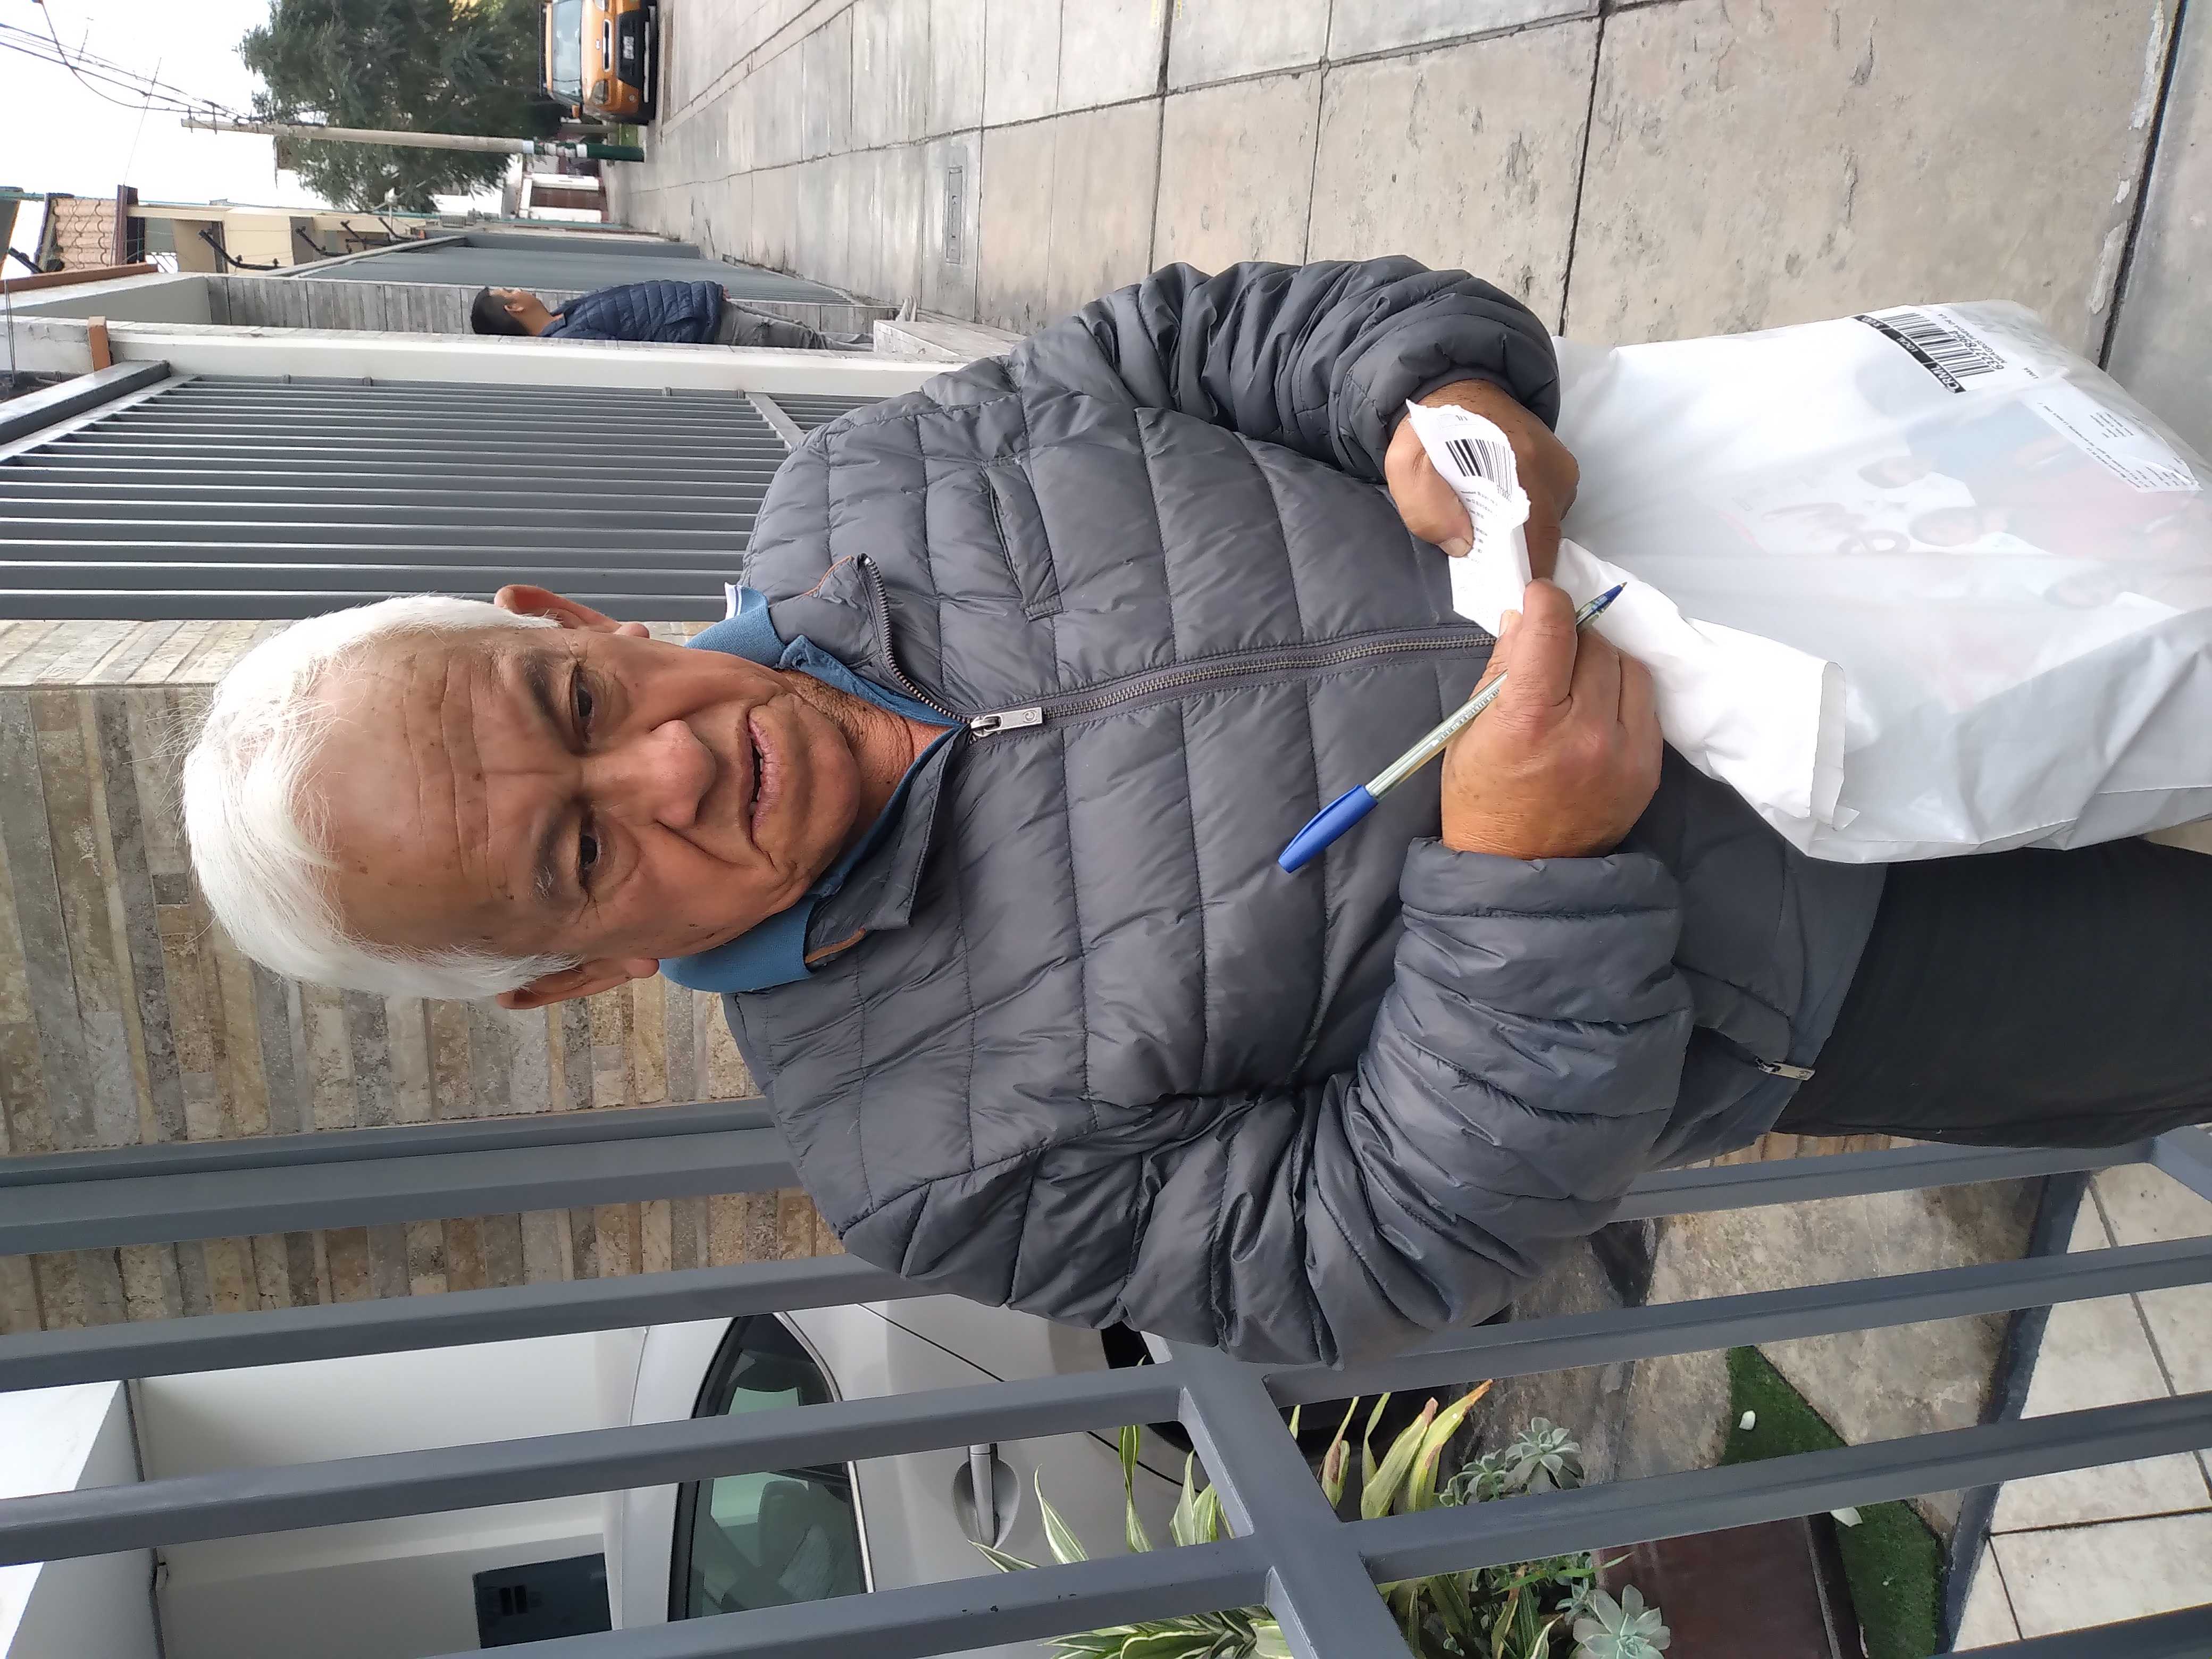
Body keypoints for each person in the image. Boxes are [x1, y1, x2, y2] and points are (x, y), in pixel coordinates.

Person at [185, 258, 2211, 1365]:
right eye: (581, 853)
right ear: (572, 977)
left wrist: (1427, 396)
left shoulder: (865, 483)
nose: (670, 766)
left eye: (576, 706)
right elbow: (1381, 1245)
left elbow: (1204, 340)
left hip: (1829, 562)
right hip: (1830, 960)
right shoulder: (921, 1158)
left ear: (566, 620)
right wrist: (1525, 874)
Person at [469, 281, 832, 349]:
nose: (518, 290)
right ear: (513, 308)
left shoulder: (566, 316)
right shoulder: (570, 341)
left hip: (707, 309)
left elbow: (642, 301)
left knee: (808, 337)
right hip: (712, 329)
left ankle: (870, 351)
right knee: (810, 344)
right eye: (509, 292)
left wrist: (702, 292)